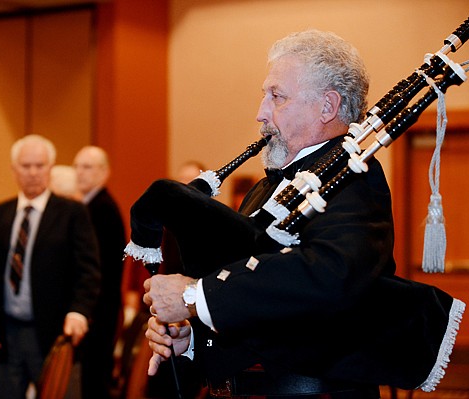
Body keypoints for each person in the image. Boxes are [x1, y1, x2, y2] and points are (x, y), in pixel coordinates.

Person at [141, 30, 393, 399]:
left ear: (328, 107)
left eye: (277, 96)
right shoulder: (265, 189)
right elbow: (257, 311)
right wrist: (191, 338)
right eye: (265, 96)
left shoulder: (351, 179)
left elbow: (327, 278)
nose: (260, 113)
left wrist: (196, 296)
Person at [0, 134, 100, 399]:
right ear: (14, 170)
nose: (33, 172)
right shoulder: (1, 213)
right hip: (5, 334)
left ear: (50, 168)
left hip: (54, 333)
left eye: (39, 165)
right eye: (26, 166)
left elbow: (88, 271)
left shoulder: (72, 213)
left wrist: (79, 311)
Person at [73, 145, 126, 399]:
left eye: (87, 167)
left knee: (94, 383)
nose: (79, 173)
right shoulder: (90, 206)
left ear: (104, 172)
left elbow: (97, 270)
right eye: (76, 166)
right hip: (98, 311)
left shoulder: (101, 209)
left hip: (98, 312)